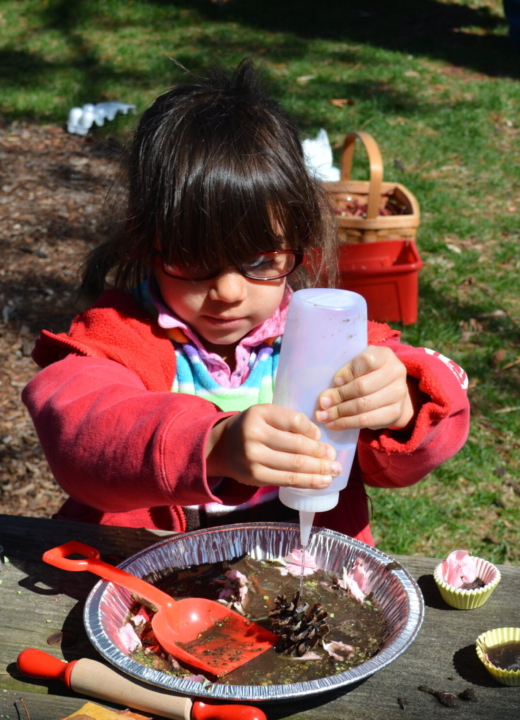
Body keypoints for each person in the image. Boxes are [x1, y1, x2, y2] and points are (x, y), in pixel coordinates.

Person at [22, 60, 470, 546]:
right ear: (144, 241)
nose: (230, 291)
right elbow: (82, 434)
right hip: (150, 585)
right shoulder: (117, 336)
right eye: (194, 260)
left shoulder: (331, 339)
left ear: (297, 242)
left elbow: (433, 425)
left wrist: (402, 402)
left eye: (259, 260)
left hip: (301, 574)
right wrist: (215, 445)